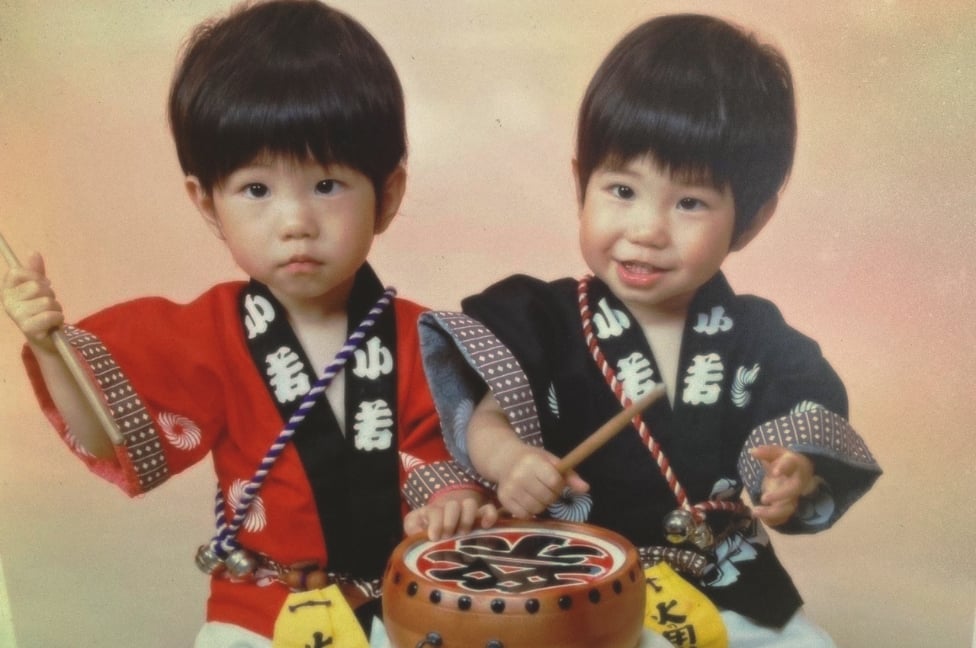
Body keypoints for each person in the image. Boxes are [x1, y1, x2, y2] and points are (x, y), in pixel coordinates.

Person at [1, 1, 494, 646]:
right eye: (256, 190)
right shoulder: (206, 334)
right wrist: (50, 347)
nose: (294, 222)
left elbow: (455, 462)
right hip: (260, 611)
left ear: (389, 194)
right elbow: (102, 435)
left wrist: (454, 503)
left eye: (326, 185)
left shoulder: (429, 340)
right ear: (207, 203)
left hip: (400, 606)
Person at [419, 14, 881, 647]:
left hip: (721, 581)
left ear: (751, 219)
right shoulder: (544, 317)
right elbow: (486, 419)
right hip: (575, 584)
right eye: (621, 189)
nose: (646, 230)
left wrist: (791, 474)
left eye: (690, 202)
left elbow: (798, 424)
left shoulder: (757, 339)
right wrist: (511, 461)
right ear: (580, 183)